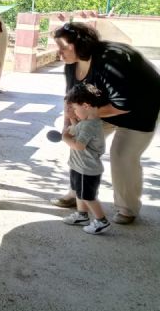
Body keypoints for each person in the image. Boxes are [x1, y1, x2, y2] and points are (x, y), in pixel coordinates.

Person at [51, 22, 160, 225]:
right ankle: (78, 194)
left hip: (139, 109)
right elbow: (71, 98)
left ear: (80, 44)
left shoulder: (111, 61)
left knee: (122, 155)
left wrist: (84, 116)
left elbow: (124, 104)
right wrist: (68, 125)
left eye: (63, 47)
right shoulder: (72, 64)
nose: (59, 52)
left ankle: (127, 208)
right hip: (100, 108)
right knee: (78, 142)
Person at [60, 83, 110, 235]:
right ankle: (82, 216)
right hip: (79, 166)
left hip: (87, 169)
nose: (74, 111)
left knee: (88, 196)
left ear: (86, 105)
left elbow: (79, 145)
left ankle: (102, 221)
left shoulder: (90, 126)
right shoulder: (87, 122)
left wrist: (65, 137)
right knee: (78, 192)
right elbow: (77, 130)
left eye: (75, 108)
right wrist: (73, 119)